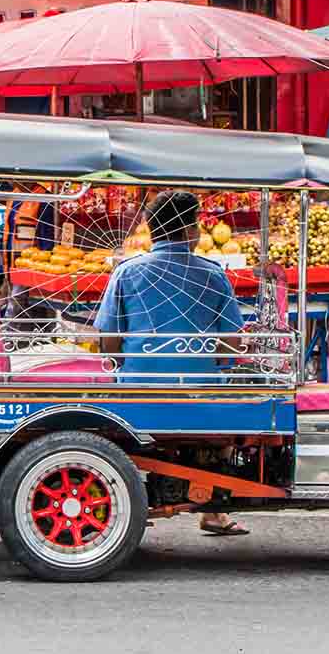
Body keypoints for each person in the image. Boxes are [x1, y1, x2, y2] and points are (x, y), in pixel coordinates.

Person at [93, 190, 247, 536]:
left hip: (136, 395)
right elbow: (231, 344)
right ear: (190, 230)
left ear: (153, 230)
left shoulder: (126, 272)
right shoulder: (213, 274)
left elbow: (107, 342)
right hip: (202, 398)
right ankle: (215, 512)